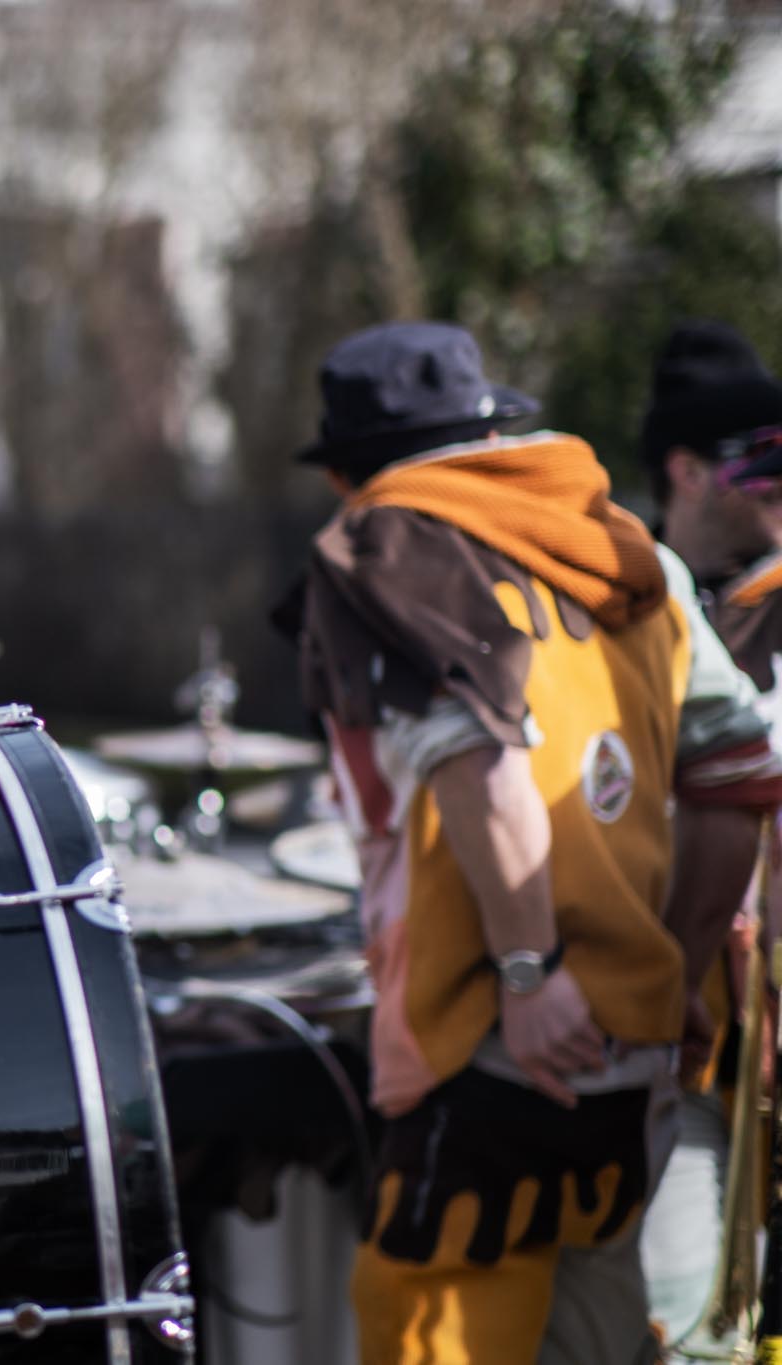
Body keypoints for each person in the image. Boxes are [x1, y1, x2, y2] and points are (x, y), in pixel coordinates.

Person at [284, 320, 775, 1365]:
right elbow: (738, 777)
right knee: (602, 1334)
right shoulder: (632, 554)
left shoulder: (382, 551)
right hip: (626, 1045)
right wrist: (675, 968)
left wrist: (530, 970)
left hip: (489, 1043)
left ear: (347, 471)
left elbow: (482, 771)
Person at [632, 319, 782, 1348]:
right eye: (759, 458)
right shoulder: (624, 597)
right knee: (682, 1321)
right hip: (678, 1029)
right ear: (687, 470)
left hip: (759, 1022)